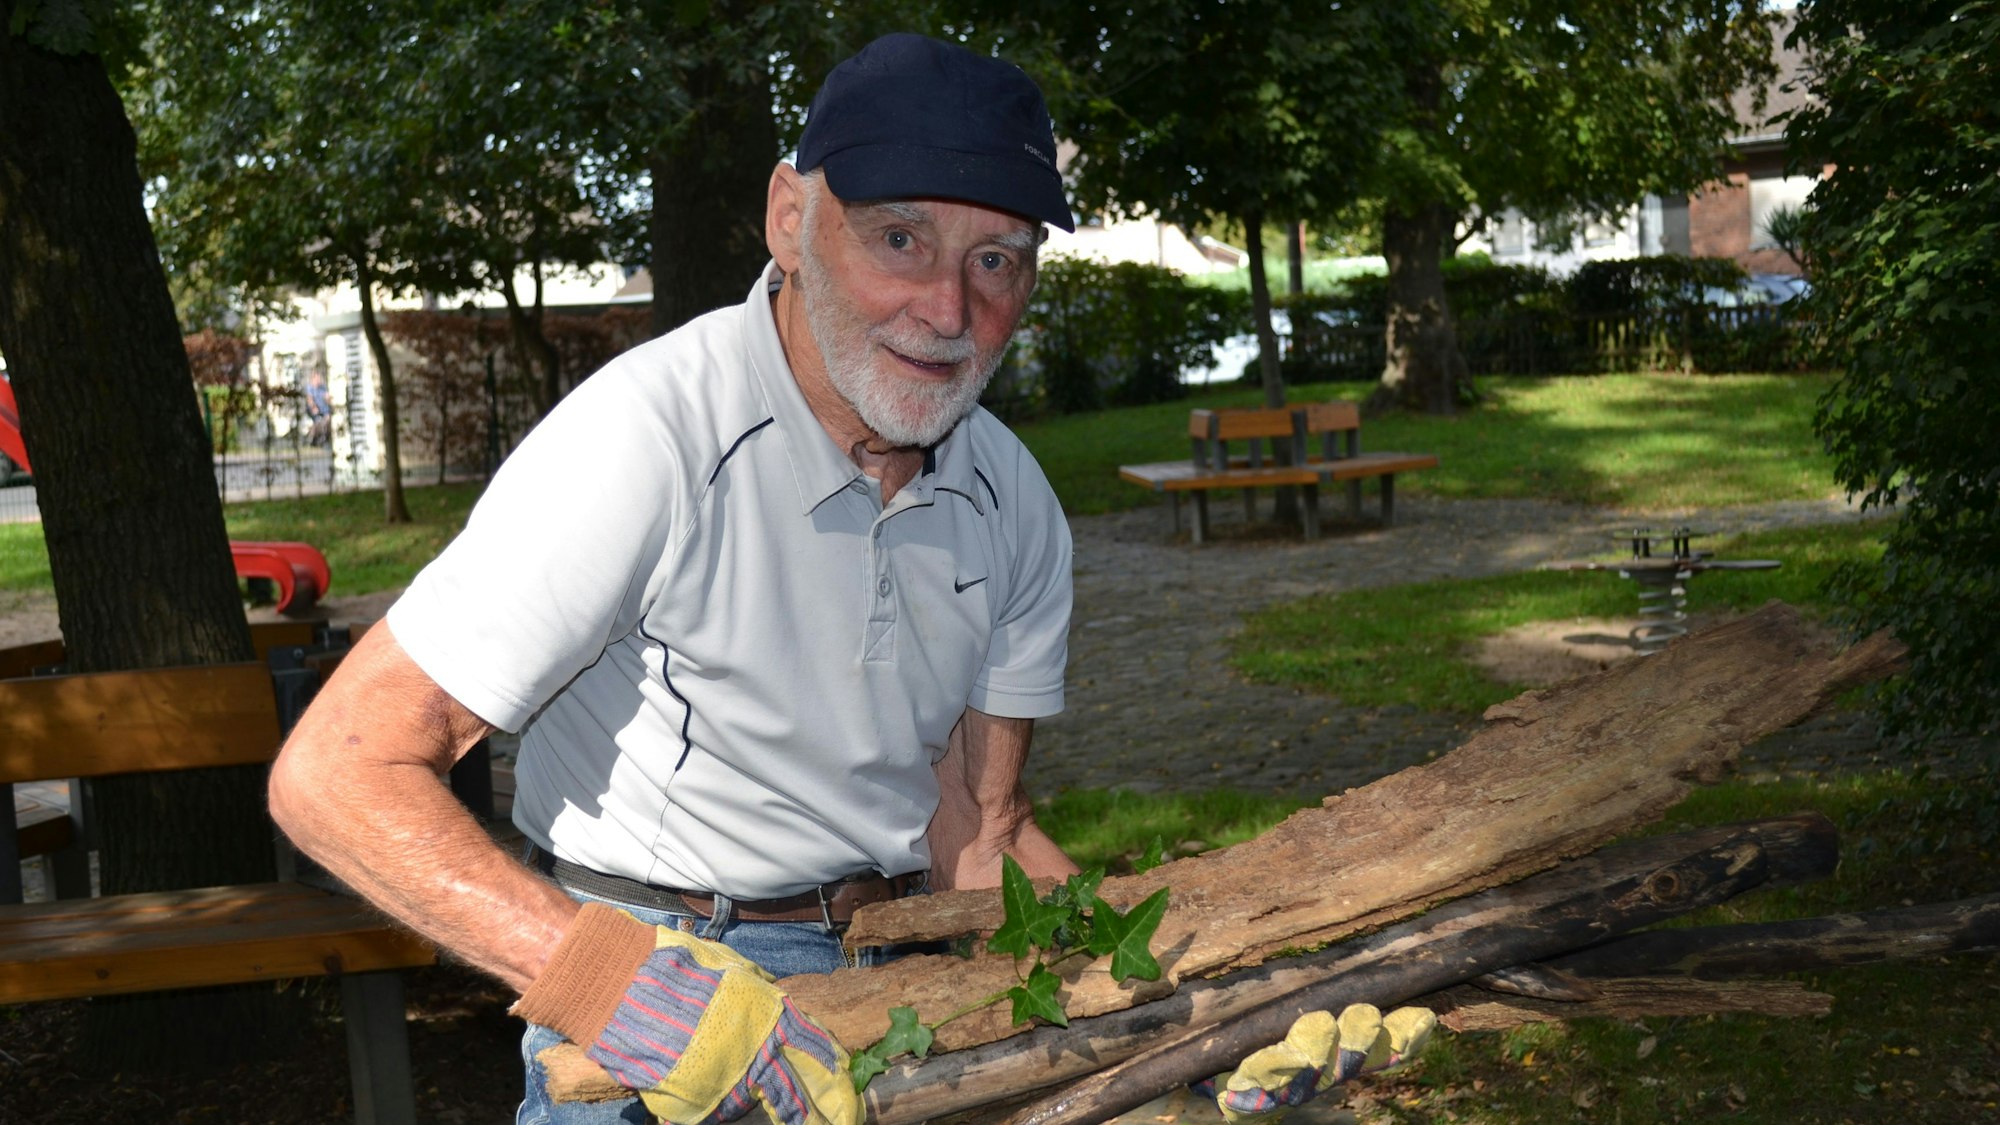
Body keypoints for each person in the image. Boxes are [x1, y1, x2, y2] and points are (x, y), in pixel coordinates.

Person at [268, 32, 1427, 1125]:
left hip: (897, 963)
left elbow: (979, 828)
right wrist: (629, 997)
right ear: (790, 217)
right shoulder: (645, 441)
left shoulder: (1012, 499)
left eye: (995, 260)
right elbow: (336, 776)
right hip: (660, 967)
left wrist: (1194, 1002)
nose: (948, 310)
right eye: (898, 239)